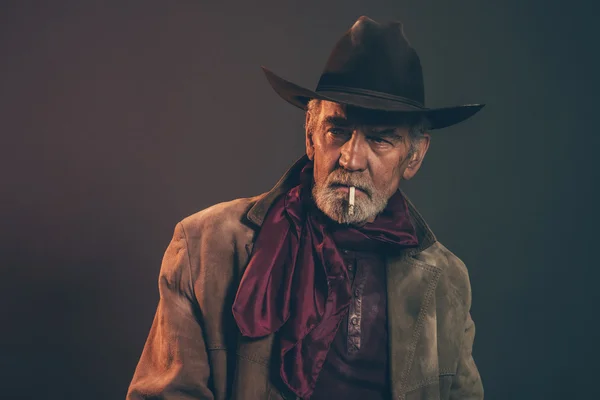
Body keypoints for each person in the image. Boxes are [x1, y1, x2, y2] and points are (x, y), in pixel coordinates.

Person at [127, 16, 485, 400]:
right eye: (338, 131)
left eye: (380, 140)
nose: (350, 158)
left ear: (413, 157)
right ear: (311, 137)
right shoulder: (204, 247)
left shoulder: (446, 282)